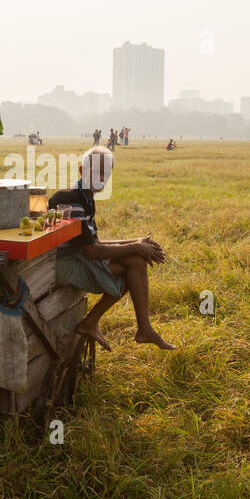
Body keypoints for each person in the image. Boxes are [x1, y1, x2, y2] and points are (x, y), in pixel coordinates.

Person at [48, 147, 175, 351]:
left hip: (77, 258)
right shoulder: (71, 199)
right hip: (62, 264)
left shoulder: (85, 196)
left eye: (106, 174)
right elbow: (92, 251)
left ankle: (135, 327)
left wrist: (137, 241)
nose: (101, 178)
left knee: (135, 262)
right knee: (134, 264)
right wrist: (136, 247)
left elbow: (95, 243)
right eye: (96, 172)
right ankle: (141, 328)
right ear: (82, 170)